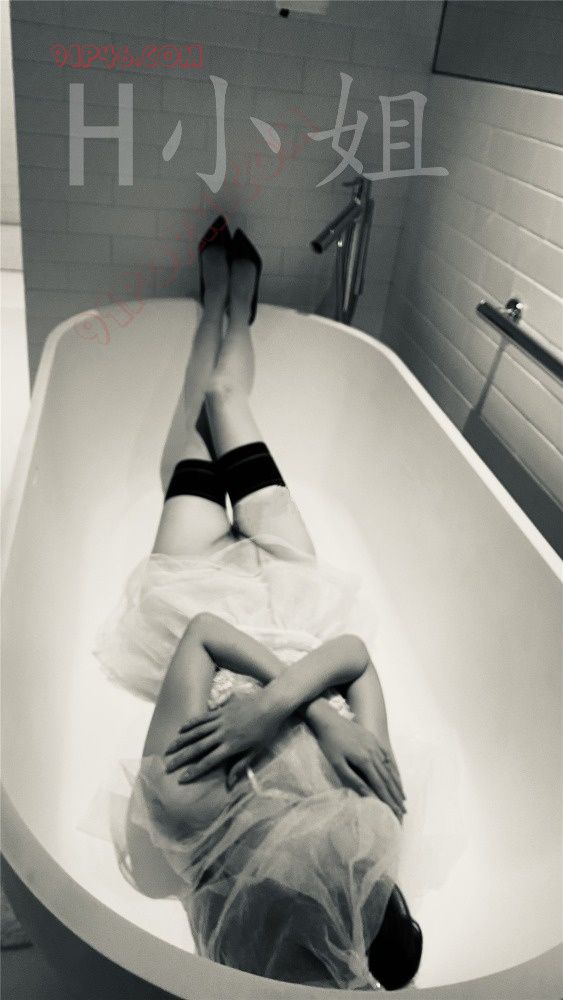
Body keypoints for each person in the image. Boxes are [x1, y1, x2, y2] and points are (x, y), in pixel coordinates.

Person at [93, 216, 423, 991]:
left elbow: (203, 632)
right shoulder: (366, 824)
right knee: (221, 398)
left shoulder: (185, 805)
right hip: (294, 594)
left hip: (191, 588)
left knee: (198, 429)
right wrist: (301, 712)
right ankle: (229, 310)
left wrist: (271, 709)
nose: (363, 874)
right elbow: (353, 654)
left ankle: (218, 304)